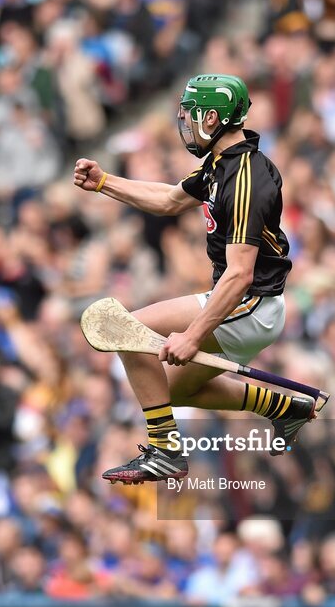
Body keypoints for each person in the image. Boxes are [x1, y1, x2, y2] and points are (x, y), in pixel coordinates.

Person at [73, 73, 315, 484]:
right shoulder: (221, 166)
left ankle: (166, 450)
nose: (184, 123)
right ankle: (281, 407)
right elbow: (168, 200)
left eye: (191, 115)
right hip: (244, 302)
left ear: (213, 119)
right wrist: (106, 183)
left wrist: (191, 335)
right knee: (171, 390)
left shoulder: (245, 179)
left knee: (126, 329)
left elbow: (240, 275)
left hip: (249, 304)